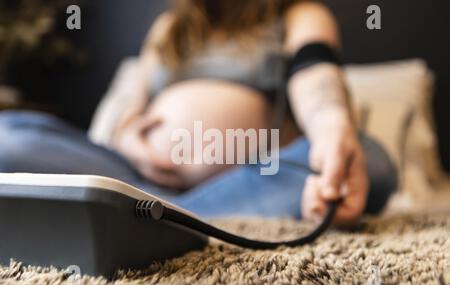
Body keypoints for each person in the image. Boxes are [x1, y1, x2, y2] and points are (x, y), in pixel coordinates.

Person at [0, 0, 397, 225]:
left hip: (252, 178)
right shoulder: (168, 28)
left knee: (369, 162)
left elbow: (314, 74)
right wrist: (130, 141)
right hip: (135, 173)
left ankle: (153, 217)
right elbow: (129, 115)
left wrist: (331, 127)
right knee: (9, 134)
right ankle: (162, 214)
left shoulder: (298, 16)